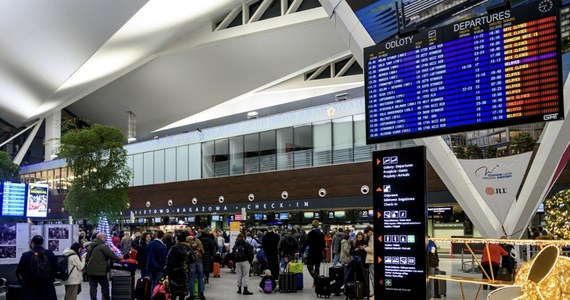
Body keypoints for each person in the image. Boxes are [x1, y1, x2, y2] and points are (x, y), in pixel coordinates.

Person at [16, 235, 58, 300]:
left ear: (32, 243)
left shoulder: (26, 255)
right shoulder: (50, 254)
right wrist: (51, 279)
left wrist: (22, 281)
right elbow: (55, 268)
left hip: (30, 287)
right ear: (42, 243)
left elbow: (19, 270)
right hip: (47, 286)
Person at [86, 233, 121, 300]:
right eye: (105, 237)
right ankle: (106, 298)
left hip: (91, 270)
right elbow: (111, 255)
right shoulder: (103, 246)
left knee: (93, 287)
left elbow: (87, 258)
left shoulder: (90, 245)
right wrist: (119, 258)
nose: (105, 239)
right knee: (105, 286)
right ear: (101, 238)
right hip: (100, 270)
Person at [165, 233, 191, 300]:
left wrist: (166, 270)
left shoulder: (173, 248)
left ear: (178, 240)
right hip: (184, 271)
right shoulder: (188, 248)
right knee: (182, 291)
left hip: (174, 272)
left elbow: (168, 259)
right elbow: (193, 259)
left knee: (174, 290)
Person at [146, 230, 168, 298]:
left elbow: (146, 255)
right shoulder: (163, 246)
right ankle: (155, 297)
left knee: (153, 283)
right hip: (158, 268)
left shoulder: (149, 244)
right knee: (157, 284)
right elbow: (163, 259)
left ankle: (151, 297)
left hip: (150, 267)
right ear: (163, 236)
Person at [187, 234, 206, 300]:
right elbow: (203, 251)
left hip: (191, 262)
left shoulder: (188, 242)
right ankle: (201, 294)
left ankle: (191, 295)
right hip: (199, 260)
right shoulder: (198, 241)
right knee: (200, 277)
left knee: (191, 278)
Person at [363, 226, 374, 299]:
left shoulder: (372, 238)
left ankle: (374, 294)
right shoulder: (371, 238)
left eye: (367, 233)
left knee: (373, 278)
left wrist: (365, 248)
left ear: (369, 231)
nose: (366, 235)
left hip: (372, 260)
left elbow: (372, 250)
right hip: (372, 260)